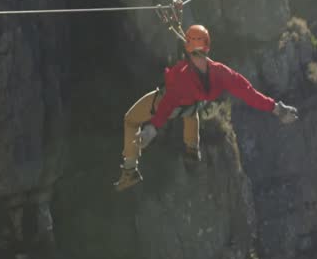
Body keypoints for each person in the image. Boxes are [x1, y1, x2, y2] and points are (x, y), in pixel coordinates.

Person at [115, 24, 299, 191]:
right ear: (208, 47)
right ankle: (192, 148)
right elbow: (248, 93)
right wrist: (276, 108)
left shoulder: (182, 74)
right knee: (190, 111)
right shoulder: (221, 72)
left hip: (169, 104)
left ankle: (130, 170)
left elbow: (167, 103)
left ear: (187, 49)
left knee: (130, 119)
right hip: (191, 107)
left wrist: (152, 129)